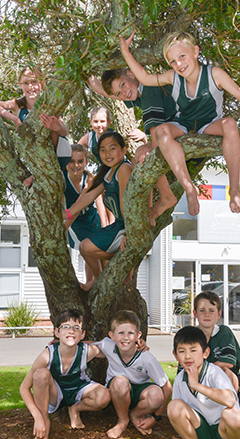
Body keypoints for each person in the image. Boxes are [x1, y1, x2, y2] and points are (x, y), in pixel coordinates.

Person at [119, 31, 240, 216]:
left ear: (195, 52)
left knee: (230, 124)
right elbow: (144, 78)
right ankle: (189, 188)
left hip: (210, 123)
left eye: (182, 56)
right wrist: (125, 51)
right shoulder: (173, 77)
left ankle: (234, 189)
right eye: (173, 61)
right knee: (161, 131)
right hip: (183, 123)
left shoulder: (215, 74)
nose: (179, 64)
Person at [88, 70, 177, 226]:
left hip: (183, 128)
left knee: (145, 156)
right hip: (174, 131)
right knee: (138, 156)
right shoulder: (138, 91)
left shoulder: (149, 89)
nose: (124, 93)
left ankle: (167, 195)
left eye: (123, 85)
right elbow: (107, 93)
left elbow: (156, 135)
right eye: (119, 93)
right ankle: (148, 211)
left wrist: (151, 148)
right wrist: (85, 74)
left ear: (130, 73)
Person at [19, 309, 111, 439]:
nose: (71, 331)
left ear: (82, 334)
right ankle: (45, 420)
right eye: (65, 327)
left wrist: (137, 346)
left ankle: (75, 408)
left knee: (104, 396)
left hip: (79, 389)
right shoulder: (47, 355)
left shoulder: (87, 351)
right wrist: (37, 416)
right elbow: (24, 388)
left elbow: (112, 349)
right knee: (40, 374)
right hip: (56, 393)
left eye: (76, 328)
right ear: (57, 332)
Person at [168, 326, 240, 439]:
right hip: (204, 436)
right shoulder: (180, 379)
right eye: (182, 351)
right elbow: (178, 415)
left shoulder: (214, 372)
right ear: (175, 355)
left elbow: (230, 400)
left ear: (205, 353)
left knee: (230, 414)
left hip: (227, 434)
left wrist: (197, 386)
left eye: (193, 350)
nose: (187, 357)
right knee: (173, 406)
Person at [62, 130, 132, 290]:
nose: (107, 154)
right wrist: (66, 214)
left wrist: (128, 233)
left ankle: (121, 261)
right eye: (103, 150)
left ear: (124, 149)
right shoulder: (108, 172)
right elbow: (88, 196)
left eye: (112, 148)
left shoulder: (123, 169)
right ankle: (99, 279)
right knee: (85, 247)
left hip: (127, 225)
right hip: (119, 224)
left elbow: (126, 206)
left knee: (87, 248)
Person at [93, 310, 172, 439]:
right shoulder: (108, 345)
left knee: (156, 395)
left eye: (130, 333)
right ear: (112, 335)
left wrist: (155, 418)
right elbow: (87, 345)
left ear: (138, 336)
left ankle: (135, 414)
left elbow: (167, 388)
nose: (125, 337)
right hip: (117, 393)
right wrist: (61, 343)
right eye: (121, 333)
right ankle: (122, 421)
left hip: (140, 393)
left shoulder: (146, 358)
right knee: (120, 381)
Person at [0, 66, 71, 184]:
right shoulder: (17, 105)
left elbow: (64, 132)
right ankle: (37, 174)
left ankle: (40, 174)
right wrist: (14, 119)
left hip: (59, 154)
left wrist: (56, 127)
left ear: (43, 83)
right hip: (36, 157)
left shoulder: (48, 103)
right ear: (20, 84)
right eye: (26, 82)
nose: (30, 86)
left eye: (34, 81)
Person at [193, 290, 240, 405]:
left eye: (211, 311)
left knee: (225, 371)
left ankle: (231, 410)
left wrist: (203, 372)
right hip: (197, 379)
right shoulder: (190, 335)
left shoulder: (224, 332)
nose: (207, 314)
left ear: (218, 314)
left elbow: (227, 362)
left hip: (225, 382)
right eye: (202, 310)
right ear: (195, 314)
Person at [63, 144, 108, 282]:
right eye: (71, 161)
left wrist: (105, 225)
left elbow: (99, 202)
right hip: (75, 223)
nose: (76, 165)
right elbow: (73, 211)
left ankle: (93, 281)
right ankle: (96, 281)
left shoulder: (89, 179)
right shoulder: (62, 180)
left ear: (86, 163)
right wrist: (63, 228)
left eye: (80, 161)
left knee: (102, 254)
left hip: (92, 218)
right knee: (89, 250)